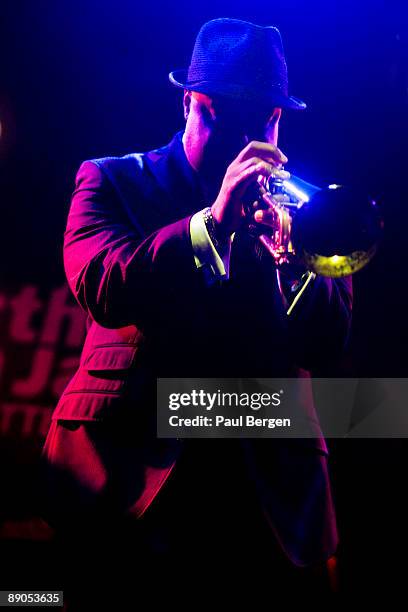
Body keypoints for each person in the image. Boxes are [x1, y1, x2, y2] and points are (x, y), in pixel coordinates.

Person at [39, 18, 352, 606]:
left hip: (267, 500)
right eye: (224, 117)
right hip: (129, 484)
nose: (245, 138)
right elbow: (103, 286)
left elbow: (328, 345)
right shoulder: (113, 182)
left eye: (262, 119)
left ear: (278, 119)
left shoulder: (301, 210)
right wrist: (209, 226)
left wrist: (293, 265)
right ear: (190, 104)